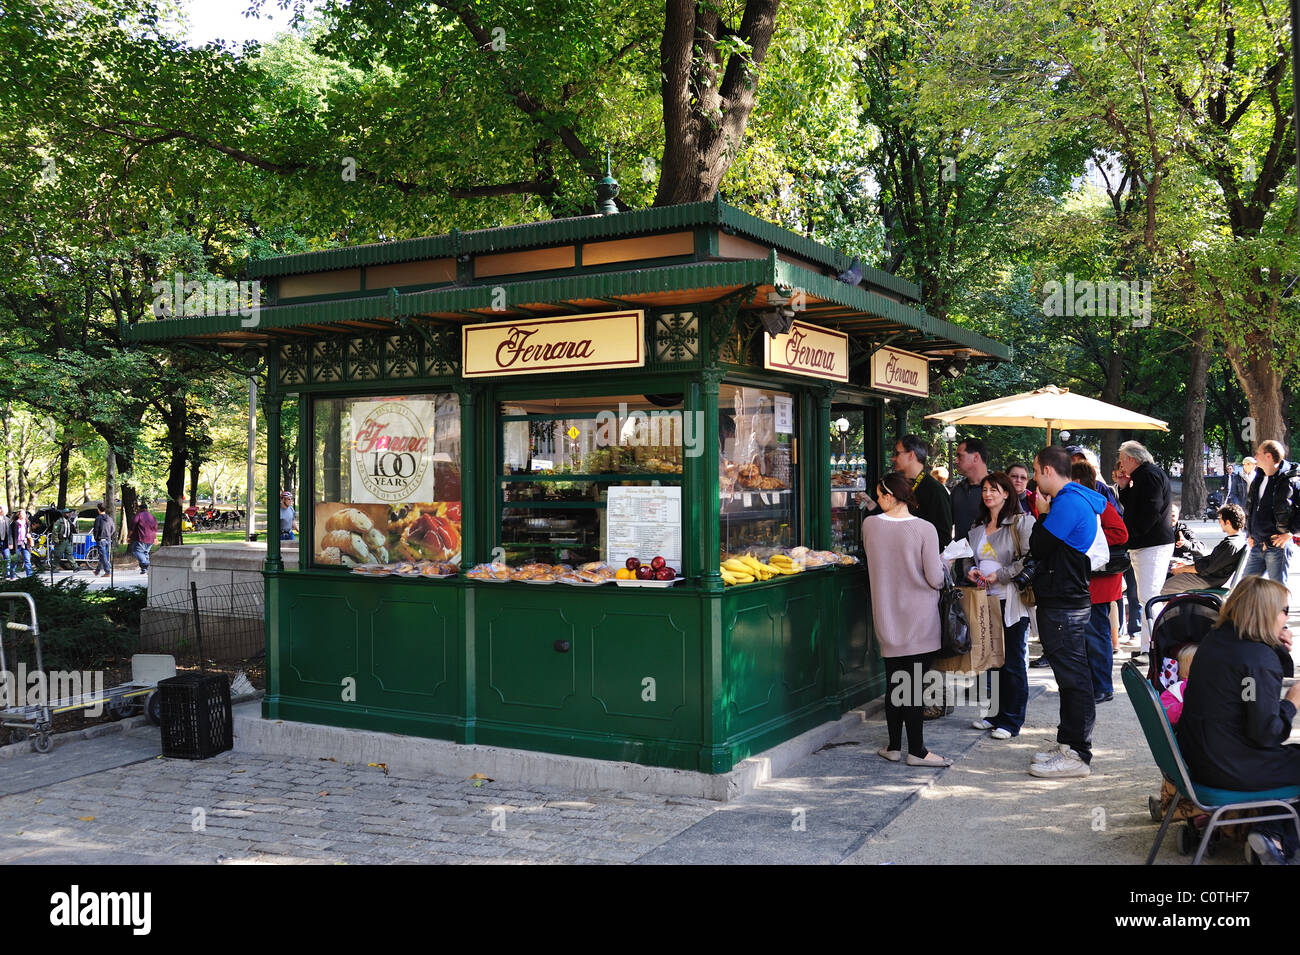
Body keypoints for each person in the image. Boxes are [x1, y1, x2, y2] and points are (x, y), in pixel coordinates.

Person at [1176, 576, 1300, 864]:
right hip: (1227, 765)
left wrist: (1274, 648)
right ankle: (1275, 838)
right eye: (1284, 610)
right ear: (1265, 613)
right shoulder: (1256, 659)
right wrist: (1291, 703)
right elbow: (1266, 734)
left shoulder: (1217, 640)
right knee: (1288, 758)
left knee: (1288, 759)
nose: (1286, 617)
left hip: (1198, 755)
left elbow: (1248, 692)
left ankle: (1268, 832)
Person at [1026, 446, 1106, 779]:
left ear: (1047, 470)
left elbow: (1039, 546)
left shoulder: (1069, 502)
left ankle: (1077, 754)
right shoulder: (1073, 499)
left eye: (1034, 471)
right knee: (1070, 678)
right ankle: (1069, 744)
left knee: (1074, 680)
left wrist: (1042, 515)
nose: (1033, 478)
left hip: (1064, 604)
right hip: (1064, 601)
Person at [861, 471, 950, 767]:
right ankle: (918, 751)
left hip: (887, 618)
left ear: (890, 495)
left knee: (893, 684)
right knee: (912, 687)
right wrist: (946, 563)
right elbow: (935, 578)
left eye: (879, 494)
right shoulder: (925, 529)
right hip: (920, 619)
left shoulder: (869, 526)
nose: (876, 499)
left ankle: (893, 746)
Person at [961, 472, 1034, 739]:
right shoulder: (978, 524)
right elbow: (969, 556)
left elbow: (1028, 559)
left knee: (1013, 660)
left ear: (1006, 493)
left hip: (1011, 600)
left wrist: (999, 575)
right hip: (984, 600)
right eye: (985, 490)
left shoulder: (1021, 522)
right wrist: (970, 570)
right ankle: (995, 715)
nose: (988, 494)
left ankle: (1012, 720)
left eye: (994, 489)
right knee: (993, 660)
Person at [1072, 459, 1128, 704]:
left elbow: (1121, 533)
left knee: (1097, 635)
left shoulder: (1099, 504)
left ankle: (1104, 686)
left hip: (1100, 582)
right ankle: (1095, 685)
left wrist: (1088, 535)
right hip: (1089, 580)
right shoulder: (1086, 503)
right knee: (1090, 635)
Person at [1116, 440, 1175, 662]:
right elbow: (1136, 506)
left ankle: (1152, 649)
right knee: (1146, 596)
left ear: (1132, 459)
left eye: (1122, 461)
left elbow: (1150, 510)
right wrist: (1123, 488)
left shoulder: (1148, 475)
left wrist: (1132, 536)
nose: (1121, 466)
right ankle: (1149, 647)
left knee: (1150, 596)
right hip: (1148, 543)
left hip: (1152, 543)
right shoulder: (1143, 475)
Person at [863, 435, 953, 543]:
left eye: (897, 453)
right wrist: (871, 505)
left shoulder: (935, 490)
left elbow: (943, 536)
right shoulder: (903, 484)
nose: (893, 458)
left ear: (911, 455)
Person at [1242, 439, 1298, 587]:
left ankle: (1280, 612)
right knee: (1244, 589)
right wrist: (1249, 533)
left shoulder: (1291, 479)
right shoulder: (1259, 478)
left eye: (1258, 453)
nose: (1255, 456)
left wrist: (1291, 532)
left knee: (1277, 593)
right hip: (1257, 544)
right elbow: (1252, 507)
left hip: (1277, 546)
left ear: (1268, 456)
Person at [1162, 504, 1246, 593]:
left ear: (1228, 522)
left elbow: (1206, 568)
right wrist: (1185, 565)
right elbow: (1210, 562)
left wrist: (1181, 569)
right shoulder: (1238, 540)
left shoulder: (1230, 544)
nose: (1219, 522)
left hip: (1206, 579)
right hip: (1208, 576)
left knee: (1163, 589)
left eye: (1220, 519)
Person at [950, 437, 990, 542]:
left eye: (960, 456)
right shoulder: (958, 490)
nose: (956, 461)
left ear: (976, 457)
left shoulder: (1000, 489)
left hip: (989, 556)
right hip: (960, 556)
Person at [128, 501, 157, 573]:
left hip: (141, 537)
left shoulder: (139, 515)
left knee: (136, 551)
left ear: (140, 509)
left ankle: (146, 564)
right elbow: (155, 528)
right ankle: (144, 570)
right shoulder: (152, 517)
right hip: (151, 538)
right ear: (147, 509)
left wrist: (129, 536)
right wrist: (155, 538)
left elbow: (132, 526)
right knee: (146, 552)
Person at [92, 502, 115, 577]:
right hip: (108, 539)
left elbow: (96, 530)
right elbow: (113, 529)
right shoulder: (109, 518)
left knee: (103, 555)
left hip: (100, 539)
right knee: (103, 556)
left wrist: (96, 537)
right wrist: (109, 535)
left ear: (98, 509)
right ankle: (97, 571)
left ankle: (107, 571)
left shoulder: (98, 518)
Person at [10, 509, 32, 579]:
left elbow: (30, 531)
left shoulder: (27, 522)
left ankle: (30, 576)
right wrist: (11, 543)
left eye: (24, 514)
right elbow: (11, 534)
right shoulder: (14, 523)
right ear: (18, 515)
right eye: (21, 514)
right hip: (17, 544)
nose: (22, 515)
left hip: (25, 544)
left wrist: (29, 534)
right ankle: (12, 576)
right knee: (14, 561)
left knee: (27, 560)